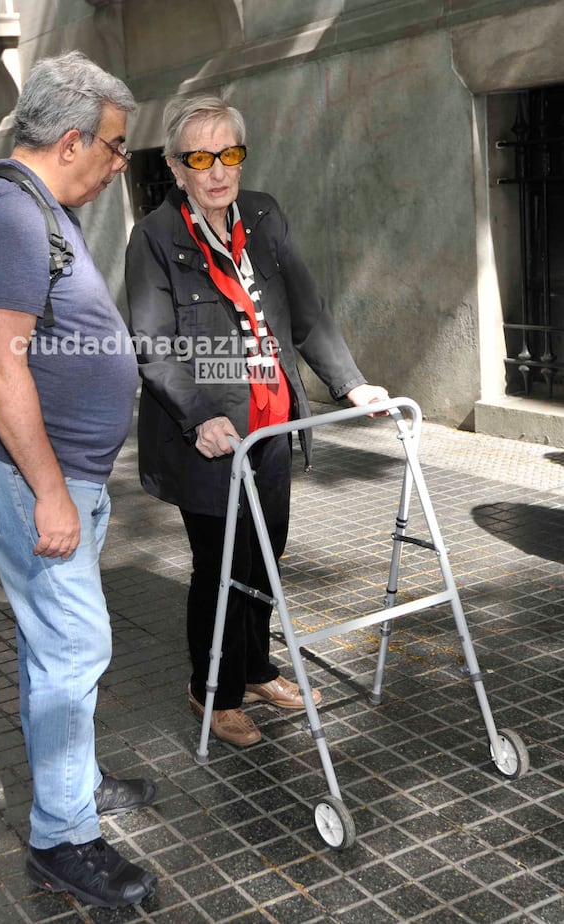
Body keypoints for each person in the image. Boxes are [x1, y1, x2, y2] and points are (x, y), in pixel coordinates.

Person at [0, 52, 157, 909]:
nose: (117, 165)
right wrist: (52, 491)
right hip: (35, 475)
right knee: (76, 649)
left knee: (52, 646)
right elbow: (1, 370)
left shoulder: (36, 204)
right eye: (112, 147)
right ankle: (62, 841)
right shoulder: (8, 216)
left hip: (62, 472)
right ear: (71, 140)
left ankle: (75, 784)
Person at [126, 95, 389, 749]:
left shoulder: (264, 216)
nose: (218, 170)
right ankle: (210, 690)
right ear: (175, 166)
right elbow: (152, 344)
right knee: (218, 564)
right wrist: (199, 418)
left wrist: (350, 383)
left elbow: (306, 311)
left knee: (265, 554)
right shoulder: (155, 236)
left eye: (230, 154)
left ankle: (256, 669)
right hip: (208, 439)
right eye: (201, 158)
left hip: (270, 428)